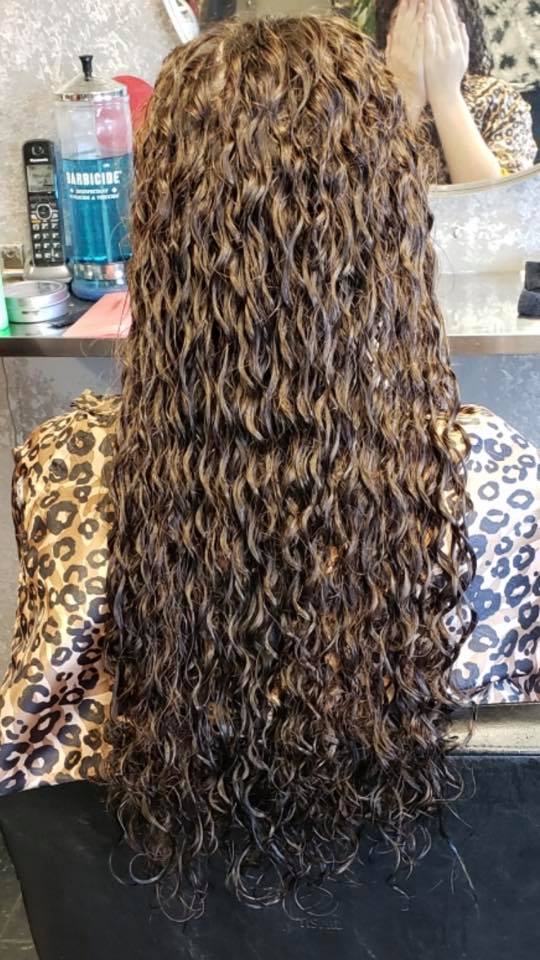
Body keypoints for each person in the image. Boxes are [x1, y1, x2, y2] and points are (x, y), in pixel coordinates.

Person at [0, 15, 539, 958]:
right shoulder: (492, 471)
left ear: (162, 227)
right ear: (391, 227)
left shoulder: (63, 466)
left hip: (162, 916)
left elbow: (45, 758)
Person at [377, 0, 537, 182]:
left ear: (462, 33)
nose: (426, 32)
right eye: (409, 20)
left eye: (440, 18)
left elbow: (497, 195)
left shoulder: (498, 97)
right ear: (388, 35)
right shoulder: (367, 98)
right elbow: (367, 187)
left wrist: (446, 95)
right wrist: (407, 96)